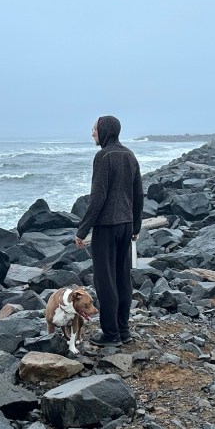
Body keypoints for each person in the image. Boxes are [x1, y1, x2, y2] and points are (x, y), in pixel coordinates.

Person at [75, 115, 143, 346]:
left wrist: (82, 230)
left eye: (94, 129)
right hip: (125, 226)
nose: (92, 133)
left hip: (106, 227)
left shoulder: (103, 157)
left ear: (104, 131)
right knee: (123, 278)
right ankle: (123, 331)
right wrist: (136, 226)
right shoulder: (129, 155)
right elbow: (138, 195)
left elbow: (98, 198)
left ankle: (111, 334)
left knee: (105, 282)